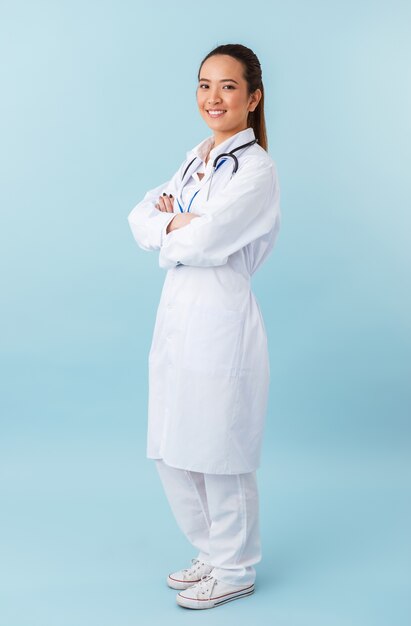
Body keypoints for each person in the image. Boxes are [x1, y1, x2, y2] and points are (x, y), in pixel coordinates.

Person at [127, 43, 281, 610]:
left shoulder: (257, 170)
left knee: (219, 444)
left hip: (221, 316)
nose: (212, 98)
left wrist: (175, 225)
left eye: (228, 87)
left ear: (253, 97)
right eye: (203, 85)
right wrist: (174, 222)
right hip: (176, 313)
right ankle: (211, 551)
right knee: (173, 442)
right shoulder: (195, 159)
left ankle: (236, 566)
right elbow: (139, 216)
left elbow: (209, 241)